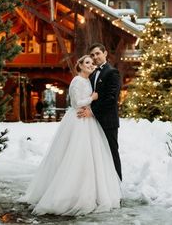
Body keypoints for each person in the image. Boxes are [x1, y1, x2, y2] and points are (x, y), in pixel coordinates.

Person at [21, 55, 121, 216]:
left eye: (92, 63)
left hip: (88, 120)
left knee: (89, 157)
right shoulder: (76, 81)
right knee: (75, 155)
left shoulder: (89, 80)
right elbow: (75, 103)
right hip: (77, 121)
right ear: (79, 65)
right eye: (87, 62)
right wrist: (92, 98)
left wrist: (92, 103)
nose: (90, 65)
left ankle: (89, 191)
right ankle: (67, 192)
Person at [78, 43, 122, 181]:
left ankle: (117, 185)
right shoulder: (92, 74)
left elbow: (111, 98)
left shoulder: (112, 72)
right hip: (93, 123)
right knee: (97, 155)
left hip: (108, 121)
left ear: (105, 53)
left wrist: (92, 112)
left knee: (111, 153)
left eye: (98, 53)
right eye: (92, 55)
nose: (95, 57)